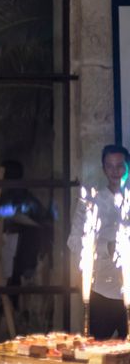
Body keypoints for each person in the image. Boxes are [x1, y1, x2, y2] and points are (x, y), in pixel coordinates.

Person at [68, 144, 130, 340]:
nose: (115, 171)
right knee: (97, 353)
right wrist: (104, 247)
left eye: (120, 166)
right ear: (103, 168)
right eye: (110, 166)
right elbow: (74, 240)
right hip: (102, 291)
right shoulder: (91, 202)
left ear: (127, 167)